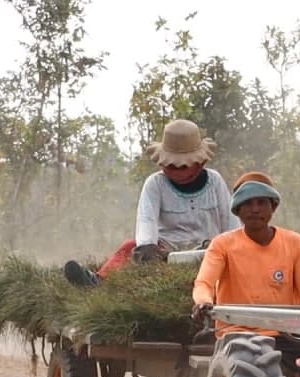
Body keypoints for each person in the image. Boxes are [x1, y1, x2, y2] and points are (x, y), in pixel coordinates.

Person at [63, 119, 239, 286]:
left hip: (208, 249)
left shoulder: (214, 181)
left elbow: (230, 220)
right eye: (171, 166)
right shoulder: (155, 184)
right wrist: (148, 247)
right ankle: (98, 282)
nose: (176, 171)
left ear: (200, 163)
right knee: (129, 246)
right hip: (165, 251)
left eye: (183, 167)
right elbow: (147, 220)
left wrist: (234, 247)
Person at [191, 172, 300, 363]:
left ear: (273, 207)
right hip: (237, 336)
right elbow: (204, 283)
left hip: (285, 336)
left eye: (262, 203)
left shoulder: (294, 243)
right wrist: (203, 302)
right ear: (237, 210)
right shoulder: (222, 245)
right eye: (247, 203)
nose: (255, 209)